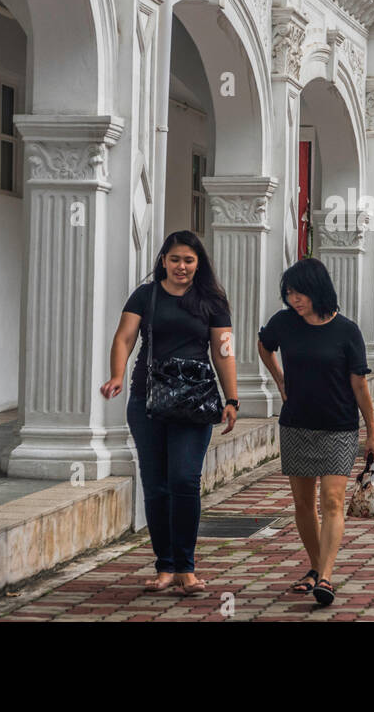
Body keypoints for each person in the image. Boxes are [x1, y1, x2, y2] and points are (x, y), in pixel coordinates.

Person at [100, 230, 238, 594]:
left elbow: (223, 351)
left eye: (188, 260)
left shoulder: (211, 301)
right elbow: (124, 337)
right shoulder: (146, 295)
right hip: (147, 401)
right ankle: (165, 566)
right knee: (156, 484)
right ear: (163, 260)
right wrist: (117, 375)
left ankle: (186, 567)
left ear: (198, 264)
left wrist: (233, 398)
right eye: (175, 259)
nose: (181, 266)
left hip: (194, 403)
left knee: (184, 480)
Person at [256, 258, 374, 606]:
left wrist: (372, 432)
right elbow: (264, 344)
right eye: (290, 293)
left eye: (301, 293)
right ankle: (315, 566)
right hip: (296, 423)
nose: (295, 300)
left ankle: (325, 577)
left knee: (332, 501)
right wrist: (279, 380)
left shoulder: (346, 331)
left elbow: (359, 385)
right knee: (302, 503)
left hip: (338, 426)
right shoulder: (284, 323)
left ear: (318, 290)